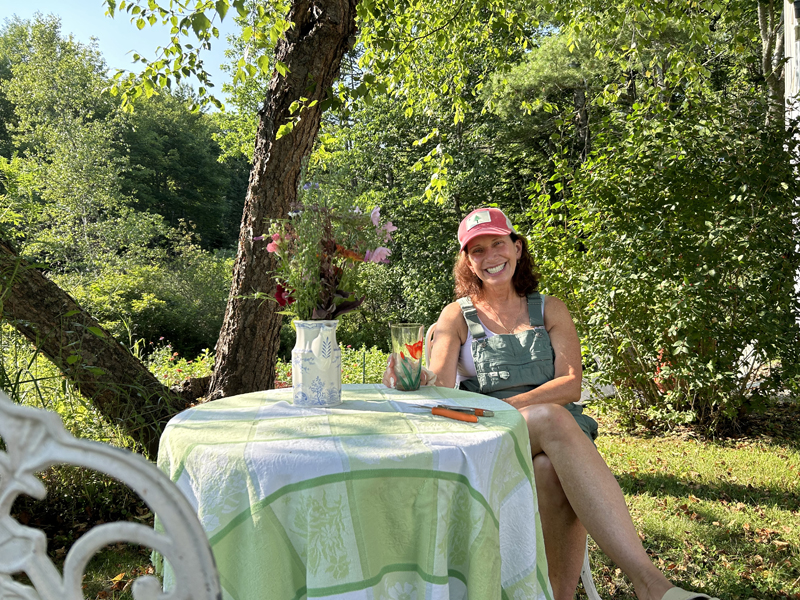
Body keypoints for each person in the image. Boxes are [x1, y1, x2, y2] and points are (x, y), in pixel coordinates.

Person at [383, 208, 717, 600]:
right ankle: (650, 584)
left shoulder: (549, 308)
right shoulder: (456, 315)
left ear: (517, 248)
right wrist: (413, 377)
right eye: (477, 250)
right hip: (490, 433)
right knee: (554, 420)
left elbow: (570, 384)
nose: (490, 256)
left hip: (547, 434)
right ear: (468, 262)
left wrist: (514, 405)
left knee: (549, 466)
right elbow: (440, 385)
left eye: (498, 244)